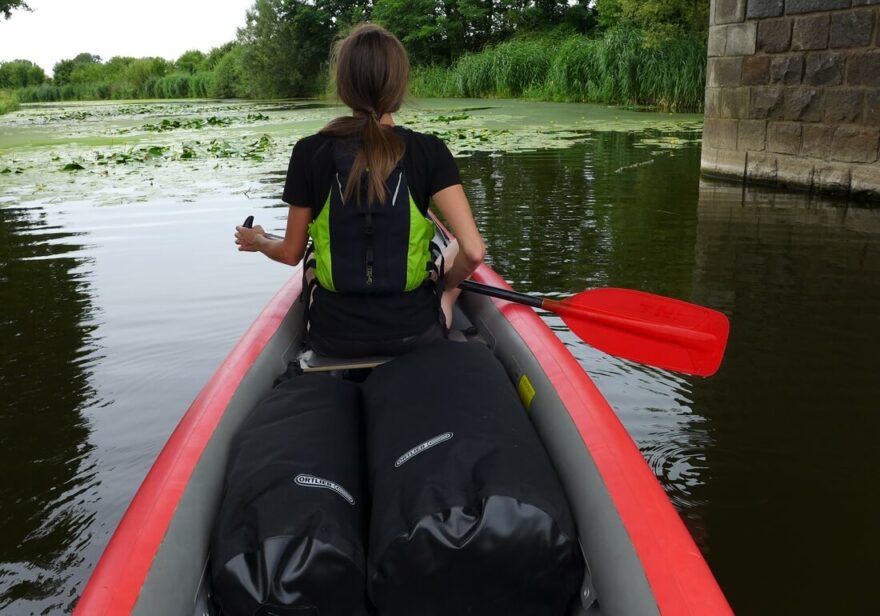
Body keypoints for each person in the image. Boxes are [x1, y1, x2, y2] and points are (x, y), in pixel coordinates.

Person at [235, 23, 484, 357]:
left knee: (312, 257)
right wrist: (447, 283)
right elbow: (474, 251)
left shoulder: (309, 151)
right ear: (399, 85)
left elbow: (291, 253)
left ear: (343, 86)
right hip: (414, 334)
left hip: (333, 337)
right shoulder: (430, 150)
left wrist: (259, 242)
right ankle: (447, 298)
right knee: (453, 246)